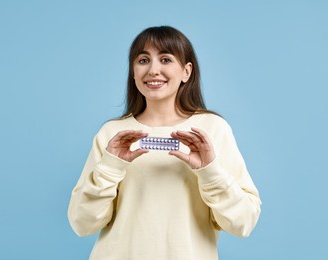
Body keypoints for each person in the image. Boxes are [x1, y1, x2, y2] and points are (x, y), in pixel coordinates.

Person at [68, 26, 261, 260]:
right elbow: (82, 224)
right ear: (133, 71)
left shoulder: (213, 129)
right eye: (143, 60)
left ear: (186, 71)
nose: (153, 70)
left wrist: (209, 172)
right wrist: (110, 167)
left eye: (166, 59)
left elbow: (243, 222)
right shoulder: (112, 133)